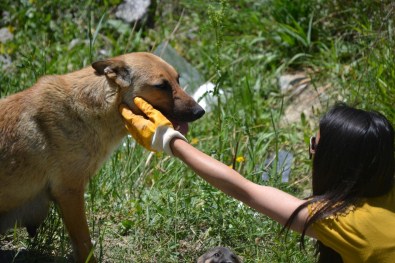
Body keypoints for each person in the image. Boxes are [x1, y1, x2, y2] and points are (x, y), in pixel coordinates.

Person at [119, 98, 395, 263]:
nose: (310, 151)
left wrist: (168, 140)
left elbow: (244, 189)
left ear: (336, 162)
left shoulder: (344, 223)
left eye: (314, 146)